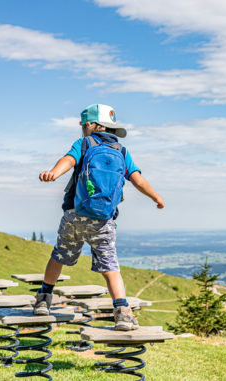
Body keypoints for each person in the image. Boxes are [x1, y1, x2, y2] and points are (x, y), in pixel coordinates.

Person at [33, 104, 164, 331]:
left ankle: (44, 298)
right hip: (103, 219)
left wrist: (53, 173)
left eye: (84, 126)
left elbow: (69, 160)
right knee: (110, 266)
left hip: (75, 214)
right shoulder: (121, 151)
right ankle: (122, 311)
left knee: (59, 255)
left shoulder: (84, 144)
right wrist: (156, 197)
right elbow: (138, 180)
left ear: (90, 125)